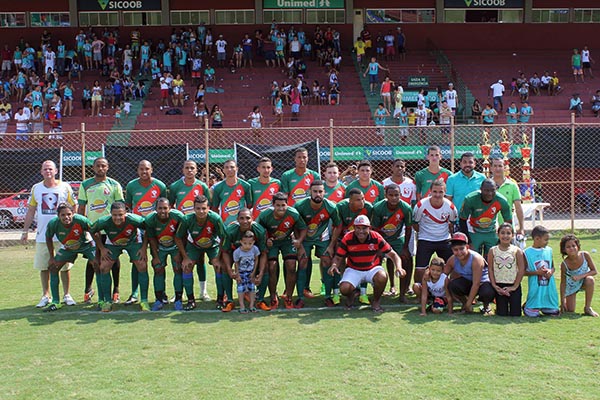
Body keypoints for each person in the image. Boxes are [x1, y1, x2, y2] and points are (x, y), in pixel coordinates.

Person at [21, 161, 76, 308]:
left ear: (56, 171)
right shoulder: (36, 188)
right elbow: (31, 210)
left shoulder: (65, 187)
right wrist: (25, 231)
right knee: (44, 267)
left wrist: (71, 226)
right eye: (45, 169)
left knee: (65, 267)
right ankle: (46, 295)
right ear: (41, 172)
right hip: (42, 236)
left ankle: (66, 295)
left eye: (50, 168)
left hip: (63, 236)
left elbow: (74, 206)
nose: (48, 171)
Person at [328, 215, 405, 312]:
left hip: (372, 268)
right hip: (354, 269)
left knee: (382, 276)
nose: (361, 231)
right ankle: (351, 296)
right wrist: (334, 265)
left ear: (369, 228)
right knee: (344, 288)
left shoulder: (376, 237)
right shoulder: (348, 238)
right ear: (354, 228)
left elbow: (393, 255)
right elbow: (338, 257)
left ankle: (376, 301)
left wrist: (399, 267)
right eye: (358, 228)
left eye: (364, 228)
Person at [77, 157, 124, 304]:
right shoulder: (85, 185)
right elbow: (81, 208)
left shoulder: (114, 185)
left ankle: (115, 290)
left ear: (108, 167)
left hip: (110, 229)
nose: (101, 168)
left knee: (113, 259)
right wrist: (82, 227)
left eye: (103, 165)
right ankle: (88, 290)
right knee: (93, 260)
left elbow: (120, 207)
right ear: (93, 167)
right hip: (93, 229)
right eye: (98, 166)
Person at [124, 160, 167, 305]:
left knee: (159, 261)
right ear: (137, 170)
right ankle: (135, 293)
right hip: (138, 229)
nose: (144, 172)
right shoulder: (131, 186)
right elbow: (128, 207)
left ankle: (162, 293)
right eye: (141, 169)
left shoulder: (160, 186)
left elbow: (164, 207)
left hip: (156, 230)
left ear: (152, 170)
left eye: (147, 169)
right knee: (138, 261)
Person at [92, 202, 149, 312]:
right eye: (114, 215)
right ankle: (108, 301)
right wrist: (102, 248)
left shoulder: (134, 219)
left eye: (120, 215)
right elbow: (92, 230)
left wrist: (143, 248)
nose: (117, 218)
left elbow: (148, 228)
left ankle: (144, 301)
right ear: (110, 214)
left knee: (142, 265)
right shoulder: (103, 221)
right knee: (104, 266)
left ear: (125, 213)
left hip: (133, 242)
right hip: (113, 243)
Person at [295, 180, 342, 307]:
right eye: (315, 191)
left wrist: (332, 245)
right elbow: (294, 224)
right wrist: (298, 243)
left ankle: (327, 296)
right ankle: (300, 297)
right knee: (303, 261)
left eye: (320, 191)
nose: (318, 194)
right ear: (310, 192)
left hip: (323, 237)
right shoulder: (300, 206)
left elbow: (338, 225)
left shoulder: (330, 206)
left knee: (327, 260)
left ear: (324, 192)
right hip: (305, 238)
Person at [257, 192, 307, 309]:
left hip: (287, 241)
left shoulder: (293, 214)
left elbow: (303, 228)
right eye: (278, 205)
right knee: (272, 266)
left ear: (287, 205)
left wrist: (299, 240)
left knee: (291, 266)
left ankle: (288, 297)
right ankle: (273, 296)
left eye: (283, 205)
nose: (280, 208)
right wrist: (266, 239)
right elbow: (258, 229)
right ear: (273, 205)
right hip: (272, 242)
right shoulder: (265, 215)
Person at [175, 195, 225, 311]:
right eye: (198, 208)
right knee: (187, 267)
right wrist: (185, 257)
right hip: (194, 246)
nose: (201, 211)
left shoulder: (215, 218)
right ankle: (191, 300)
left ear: (208, 208)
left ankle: (220, 299)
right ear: (193, 208)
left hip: (212, 246)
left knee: (219, 267)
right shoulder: (187, 219)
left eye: (203, 208)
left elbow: (223, 237)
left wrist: (218, 257)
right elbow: (178, 237)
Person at [44, 204, 95, 311]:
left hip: (85, 245)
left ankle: (103, 300)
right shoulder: (53, 223)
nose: (66, 217)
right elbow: (48, 238)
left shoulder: (81, 220)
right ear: (58, 216)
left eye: (69, 214)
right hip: (68, 248)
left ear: (73, 214)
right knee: (53, 268)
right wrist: (51, 257)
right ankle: (56, 302)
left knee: (99, 265)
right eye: (63, 215)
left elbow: (94, 232)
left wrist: (99, 250)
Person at [412, 179, 457, 288]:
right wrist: (427, 233)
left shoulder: (450, 207)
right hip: (425, 239)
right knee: (420, 269)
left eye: (440, 192)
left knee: (454, 267)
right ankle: (420, 291)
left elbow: (452, 224)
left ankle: (453, 290)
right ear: (430, 191)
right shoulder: (420, 205)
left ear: (445, 192)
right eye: (435, 192)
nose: (437, 195)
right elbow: (415, 224)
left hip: (444, 239)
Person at [221, 208, 268, 312]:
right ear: (237, 219)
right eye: (241, 218)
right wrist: (230, 270)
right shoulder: (230, 230)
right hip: (235, 253)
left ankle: (260, 300)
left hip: (253, 254)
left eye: (247, 218)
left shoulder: (259, 230)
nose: (245, 221)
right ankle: (229, 300)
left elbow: (263, 253)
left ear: (252, 218)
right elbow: (225, 251)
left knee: (266, 268)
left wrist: (259, 273)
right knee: (224, 267)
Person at [372, 184, 413, 302]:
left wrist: (405, 247)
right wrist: (378, 247)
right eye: (391, 195)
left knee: (406, 258)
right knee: (375, 261)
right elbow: (374, 229)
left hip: (397, 239)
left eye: (397, 195)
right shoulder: (378, 208)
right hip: (381, 239)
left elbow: (409, 228)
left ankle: (403, 293)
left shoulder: (406, 208)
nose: (394, 198)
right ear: (386, 196)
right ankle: (378, 293)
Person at [145, 198, 185, 311]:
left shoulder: (178, 217)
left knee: (177, 269)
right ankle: (159, 299)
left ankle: (178, 299)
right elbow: (151, 239)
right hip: (160, 247)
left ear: (170, 208)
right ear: (155, 209)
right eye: (160, 208)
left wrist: (181, 253)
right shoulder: (150, 220)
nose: (163, 211)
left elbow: (182, 235)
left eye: (165, 208)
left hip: (175, 246)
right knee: (158, 269)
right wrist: (155, 257)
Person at [445, 232, 495, 315]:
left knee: (487, 292)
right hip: (468, 282)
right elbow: (443, 275)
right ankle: (464, 303)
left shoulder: (476, 259)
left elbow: (476, 283)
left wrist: (469, 303)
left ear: (467, 247)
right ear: (452, 250)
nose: (459, 252)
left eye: (461, 249)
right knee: (452, 285)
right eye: (456, 250)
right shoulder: (452, 260)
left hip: (482, 282)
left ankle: (486, 306)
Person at [459, 179, 512, 256]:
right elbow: (462, 220)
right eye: (486, 190)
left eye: (492, 190)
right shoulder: (470, 199)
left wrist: (503, 237)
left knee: (494, 256)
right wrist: (469, 241)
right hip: (474, 231)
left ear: (496, 189)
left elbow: (508, 221)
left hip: (491, 231)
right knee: (472, 257)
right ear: (481, 189)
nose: (490, 193)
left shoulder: (502, 200)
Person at [487, 223, 525, 317]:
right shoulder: (493, 250)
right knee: (502, 313)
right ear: (498, 234)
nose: (505, 236)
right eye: (502, 233)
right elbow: (490, 269)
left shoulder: (517, 251)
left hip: (513, 285)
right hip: (499, 286)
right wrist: (494, 285)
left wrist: (514, 286)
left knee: (515, 314)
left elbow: (521, 269)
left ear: (512, 235)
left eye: (508, 233)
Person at [523, 225, 559, 317]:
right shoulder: (526, 252)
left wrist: (550, 271)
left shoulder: (549, 250)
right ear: (537, 238)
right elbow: (523, 272)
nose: (547, 242)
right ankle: (529, 306)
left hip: (548, 286)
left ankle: (546, 306)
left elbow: (553, 266)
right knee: (533, 315)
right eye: (545, 239)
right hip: (536, 287)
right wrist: (537, 273)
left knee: (554, 312)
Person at [559, 234, 598, 317]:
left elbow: (594, 271)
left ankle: (587, 308)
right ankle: (563, 304)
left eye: (574, 245)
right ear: (564, 250)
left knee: (590, 280)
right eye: (568, 247)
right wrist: (562, 301)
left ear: (578, 246)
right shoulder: (564, 264)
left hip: (584, 281)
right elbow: (563, 283)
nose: (572, 248)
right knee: (570, 310)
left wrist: (581, 276)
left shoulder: (585, 255)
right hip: (571, 285)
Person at [211, 159, 252, 227]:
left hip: (241, 225)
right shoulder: (218, 187)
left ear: (237, 169)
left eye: (232, 167)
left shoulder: (246, 186)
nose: (229, 169)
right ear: (223, 170)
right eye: (226, 167)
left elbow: (249, 206)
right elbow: (215, 208)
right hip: (225, 225)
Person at [490, 157, 525, 235]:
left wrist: (521, 227)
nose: (497, 168)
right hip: (490, 228)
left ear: (505, 168)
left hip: (507, 227)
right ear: (491, 168)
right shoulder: (486, 185)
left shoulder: (512, 186)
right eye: (495, 166)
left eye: (500, 166)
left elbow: (518, 207)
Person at [232, 231, 260, 313]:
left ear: (253, 242)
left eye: (250, 243)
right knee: (241, 289)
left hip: (250, 272)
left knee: (252, 289)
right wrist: (237, 275)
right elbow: (236, 263)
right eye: (245, 243)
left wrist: (254, 272)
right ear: (241, 242)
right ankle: (242, 306)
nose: (247, 246)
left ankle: (251, 305)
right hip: (241, 272)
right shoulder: (237, 252)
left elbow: (256, 260)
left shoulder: (255, 249)